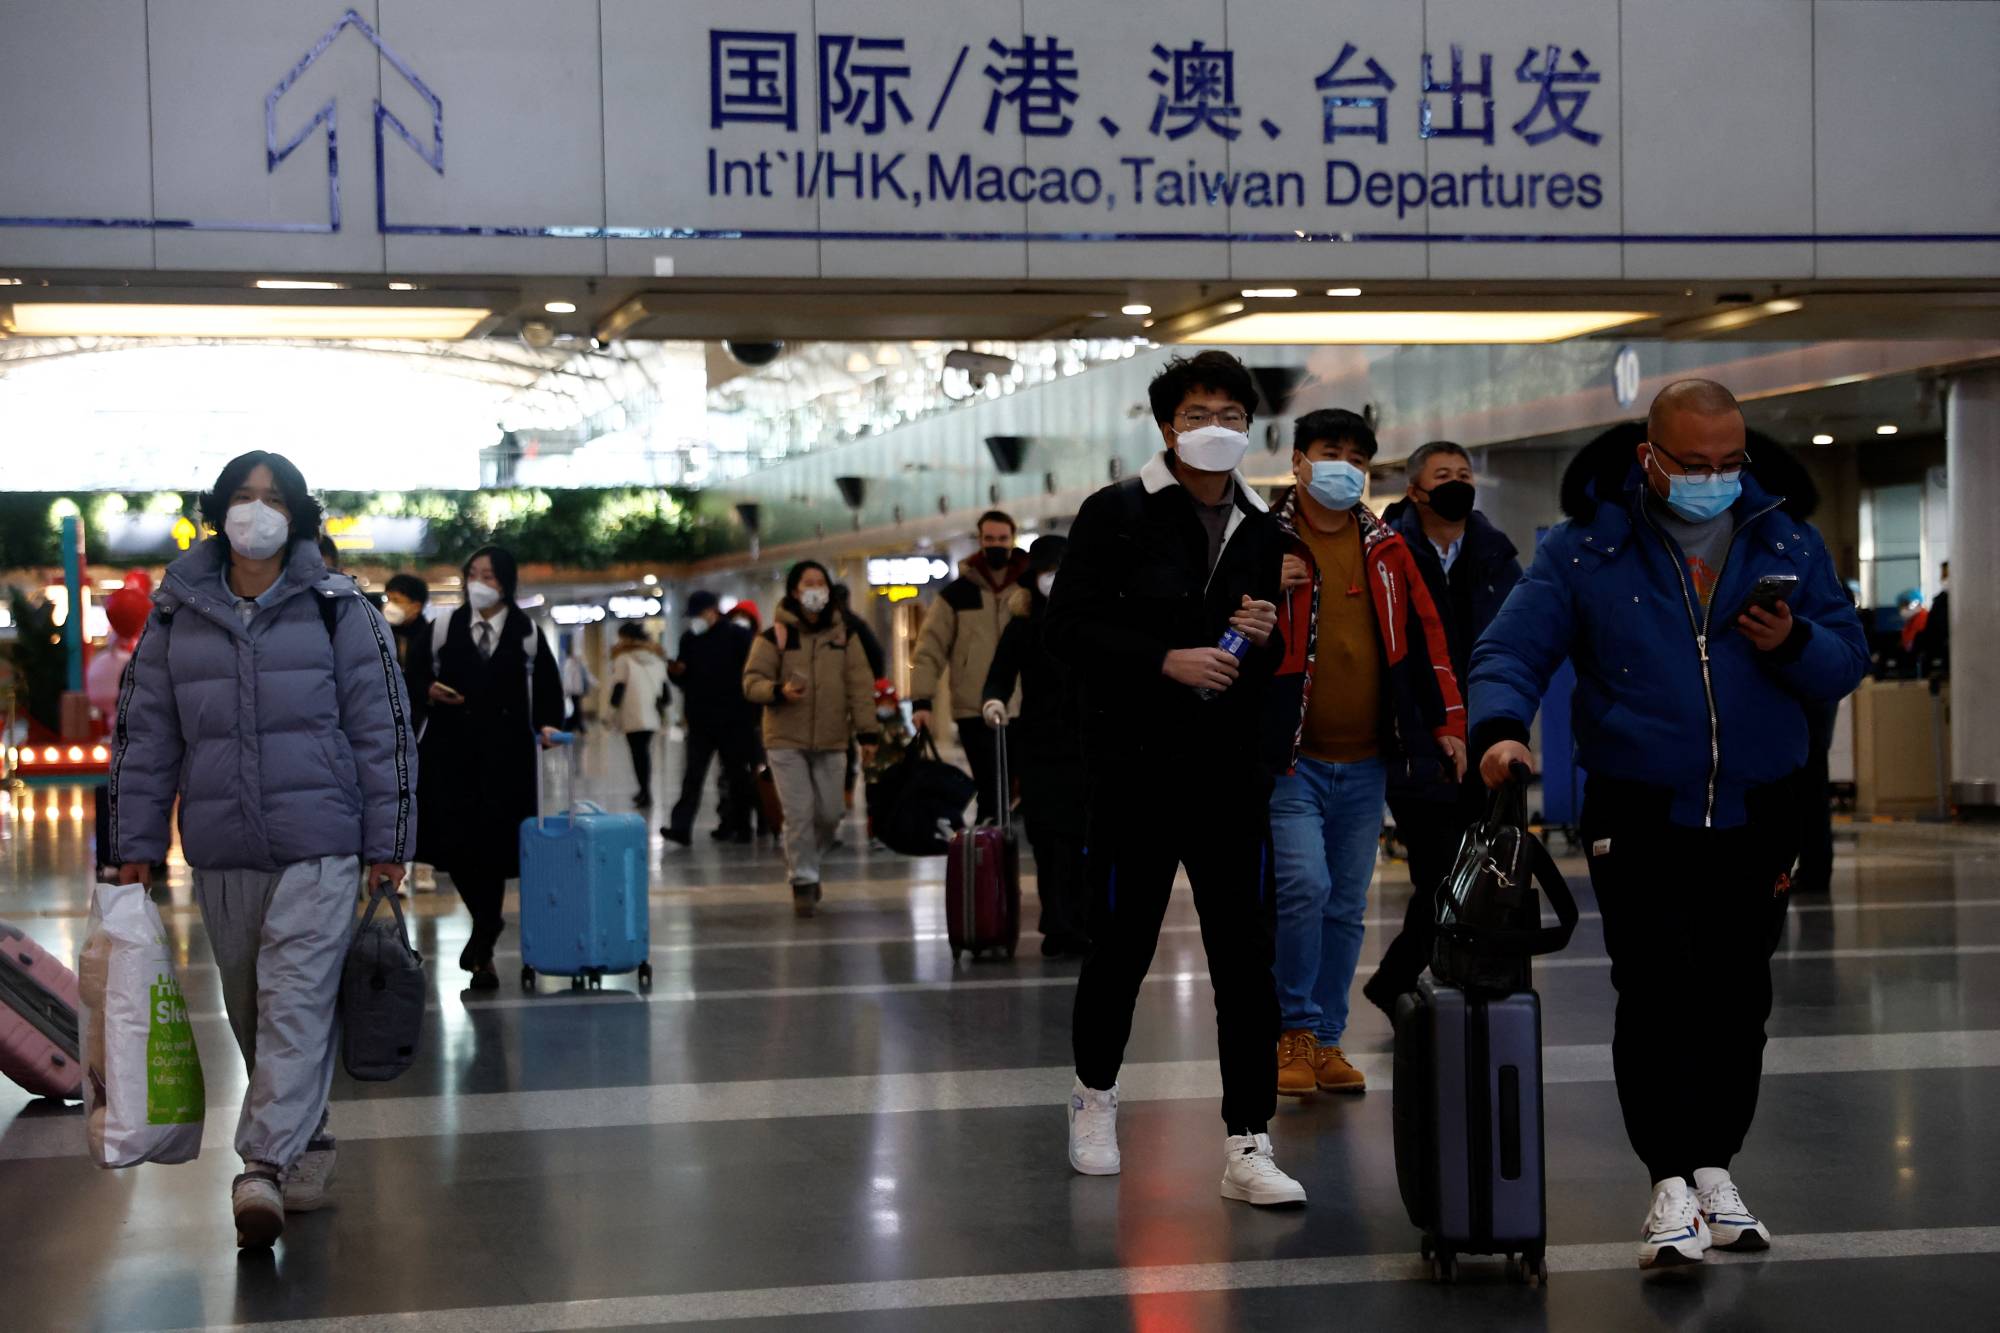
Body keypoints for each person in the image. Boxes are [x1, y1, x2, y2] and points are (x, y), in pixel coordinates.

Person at [1470, 379, 1868, 1270]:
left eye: (1730, 463)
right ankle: (1667, 1185)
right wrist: (1498, 733)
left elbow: (1846, 658)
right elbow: (1510, 648)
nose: (1713, 478)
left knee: (1738, 997)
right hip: (1641, 810)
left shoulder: (1787, 543)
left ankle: (1715, 1168)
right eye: (1693, 464)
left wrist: (1793, 641)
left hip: (1761, 810)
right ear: (1649, 457)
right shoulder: (1585, 554)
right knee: (1655, 991)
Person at [111, 449, 416, 1247]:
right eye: (243, 497)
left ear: (298, 514)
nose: (257, 511)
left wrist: (388, 841)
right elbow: (146, 735)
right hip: (221, 847)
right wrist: (132, 846)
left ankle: (261, 1168)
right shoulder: (177, 614)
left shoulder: (337, 608)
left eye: (273, 498)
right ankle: (305, 1138)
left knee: (298, 998)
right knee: (253, 1007)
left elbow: (381, 730)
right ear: (218, 512)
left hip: (322, 841)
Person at [1046, 350, 1303, 1207]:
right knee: (1120, 945)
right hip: (1133, 772)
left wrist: (1254, 641)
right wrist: (1165, 659)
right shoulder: (1114, 514)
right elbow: (1071, 631)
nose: (1219, 429)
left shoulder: (1265, 531)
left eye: (1233, 414)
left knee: (1246, 960)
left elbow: (1257, 666)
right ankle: (1094, 1095)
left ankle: (1249, 1138)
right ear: (1167, 426)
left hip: (1229, 779)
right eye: (1201, 413)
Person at [1265, 411, 1466, 1100]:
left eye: (1357, 456)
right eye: (1330, 452)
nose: (1344, 465)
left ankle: (1324, 1038)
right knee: (1304, 888)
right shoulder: (1265, 540)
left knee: (1347, 903)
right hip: (1290, 758)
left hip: (1367, 759)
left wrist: (1449, 723)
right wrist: (1266, 586)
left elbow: (1429, 638)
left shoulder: (1387, 547)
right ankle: (1290, 1027)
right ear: (1298, 462)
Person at [1362, 441, 1522, 1016]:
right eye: (1443, 475)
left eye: (1464, 473)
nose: (1458, 483)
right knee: (1440, 871)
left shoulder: (1496, 552)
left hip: (1484, 734)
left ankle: (1421, 980)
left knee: (1469, 870)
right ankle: (1399, 980)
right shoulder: (1385, 552)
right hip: (1419, 740)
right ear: (1415, 490)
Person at [409, 545, 565, 990]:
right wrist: (429, 692)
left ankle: (483, 947)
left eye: (490, 576)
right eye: (473, 573)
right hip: (450, 757)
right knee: (458, 850)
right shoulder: (443, 628)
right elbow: (410, 678)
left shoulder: (527, 634)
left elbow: (550, 695)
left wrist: (549, 726)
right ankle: (487, 926)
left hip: (507, 760)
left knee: (494, 852)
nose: (479, 582)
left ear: (507, 582)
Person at [741, 561, 879, 916]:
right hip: (785, 739)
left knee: (832, 813)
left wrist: (867, 732)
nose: (816, 589)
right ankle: (803, 879)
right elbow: (751, 682)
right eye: (808, 583)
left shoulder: (845, 636)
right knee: (799, 813)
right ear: (794, 591)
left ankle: (809, 862)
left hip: (833, 739)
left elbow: (861, 687)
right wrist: (778, 690)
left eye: (821, 583)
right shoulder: (774, 637)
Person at [980, 534, 1089, 957]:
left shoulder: (1089, 620)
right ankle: (1058, 922)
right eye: (1047, 572)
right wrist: (993, 700)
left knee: (1084, 838)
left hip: (1086, 743)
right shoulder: (1023, 626)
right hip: (1041, 746)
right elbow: (1000, 674)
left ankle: (1080, 918)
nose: (1053, 580)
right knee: (1048, 841)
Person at [911, 511, 1029, 822]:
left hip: (1024, 706)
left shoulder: (1027, 591)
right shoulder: (956, 595)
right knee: (990, 790)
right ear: (979, 540)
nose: (996, 545)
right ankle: (988, 857)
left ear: (1012, 540)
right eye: (989, 538)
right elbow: (929, 649)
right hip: (973, 707)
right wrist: (922, 700)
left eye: (1002, 539)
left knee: (1024, 789)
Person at [665, 590, 762, 845]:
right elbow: (683, 677)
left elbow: (752, 674)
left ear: (712, 611)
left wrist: (752, 715)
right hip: (700, 720)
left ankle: (742, 827)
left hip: (734, 719)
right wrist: (676, 672)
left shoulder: (738, 637)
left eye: (698, 614)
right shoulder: (690, 639)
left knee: (736, 775)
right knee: (692, 776)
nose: (694, 620)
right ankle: (681, 828)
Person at [609, 622, 670, 808]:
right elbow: (665, 692)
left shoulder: (623, 659)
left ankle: (644, 792)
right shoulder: (657, 658)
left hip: (632, 712)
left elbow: (618, 688)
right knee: (644, 753)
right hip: (652, 713)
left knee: (637, 754)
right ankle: (645, 791)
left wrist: (610, 712)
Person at [561, 638, 596, 735]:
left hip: (579, 690)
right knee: (577, 709)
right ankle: (579, 727)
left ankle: (571, 726)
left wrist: (596, 684)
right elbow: (568, 679)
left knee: (577, 709)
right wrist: (566, 691)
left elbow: (587, 675)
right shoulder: (569, 664)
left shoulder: (581, 664)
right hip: (573, 691)